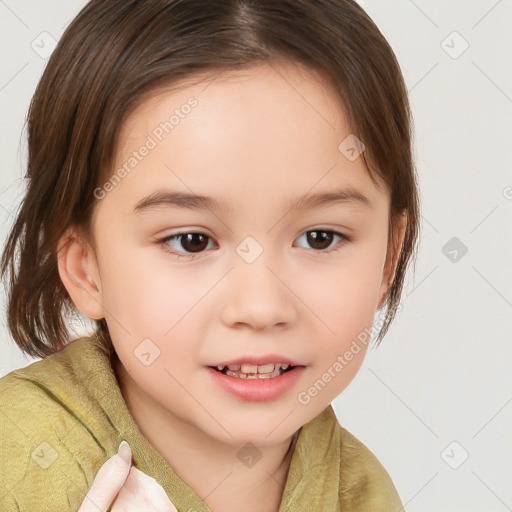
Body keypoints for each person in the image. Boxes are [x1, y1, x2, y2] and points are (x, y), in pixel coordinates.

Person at [0, 0, 420, 510]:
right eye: (191, 241)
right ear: (86, 268)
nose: (261, 307)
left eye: (320, 238)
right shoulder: (18, 456)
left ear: (388, 258)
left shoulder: (362, 492)